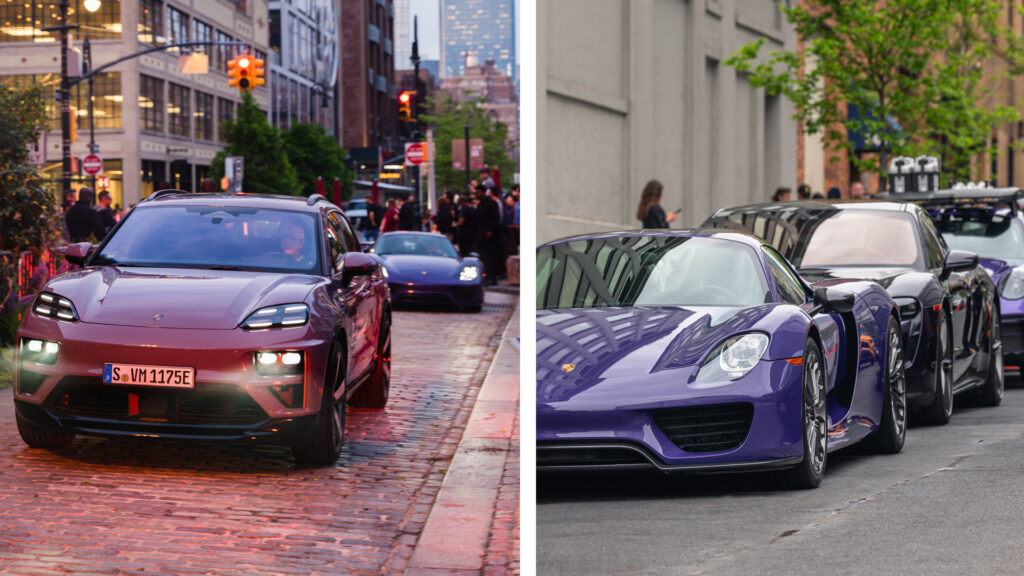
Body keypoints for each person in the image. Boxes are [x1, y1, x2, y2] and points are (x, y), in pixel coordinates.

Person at [475, 184, 501, 285]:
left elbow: (495, 218)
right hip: (481, 234)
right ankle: (487, 277)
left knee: (488, 257)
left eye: (477, 192)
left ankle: (491, 278)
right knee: (483, 257)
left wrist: (490, 231)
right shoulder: (481, 203)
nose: (476, 195)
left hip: (487, 235)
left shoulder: (491, 203)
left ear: (482, 192)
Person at [455, 194, 477, 259]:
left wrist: (456, 224)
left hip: (464, 234)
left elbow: (461, 222)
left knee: (464, 252)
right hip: (472, 234)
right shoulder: (473, 209)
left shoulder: (464, 210)